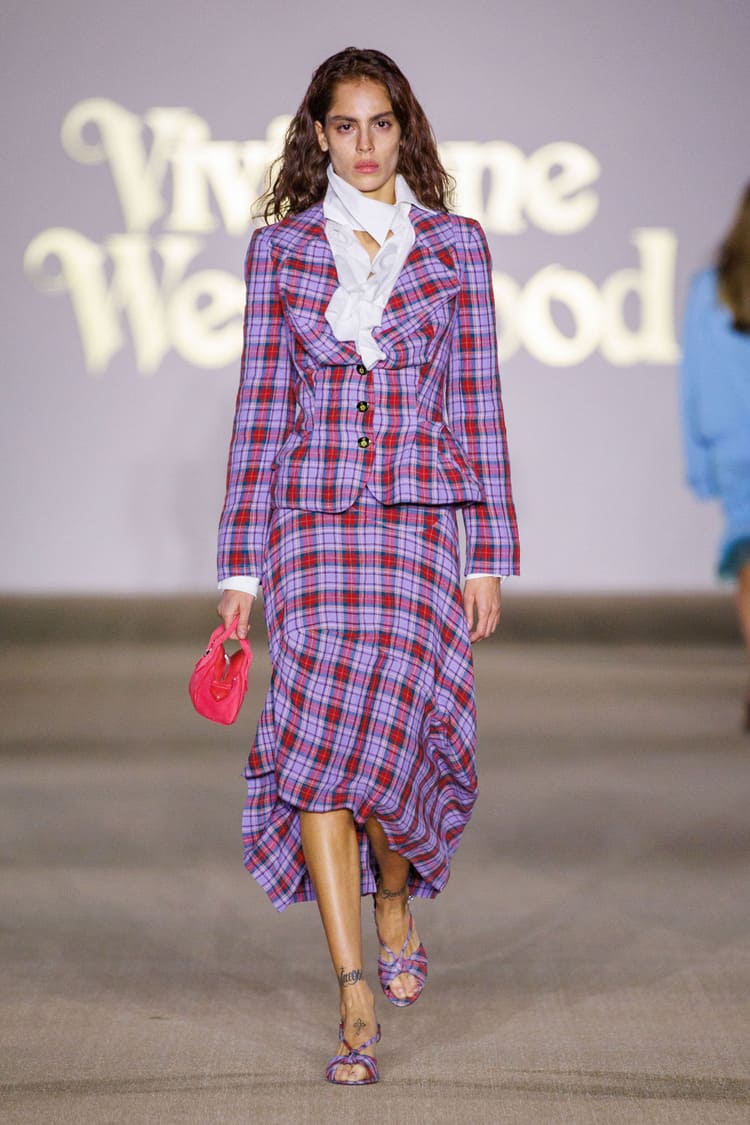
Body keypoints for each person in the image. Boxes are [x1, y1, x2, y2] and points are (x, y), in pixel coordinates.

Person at [216, 47, 519, 1085]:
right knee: (314, 749)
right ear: (318, 135)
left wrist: (489, 551)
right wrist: (241, 570)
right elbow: (261, 409)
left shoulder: (455, 246)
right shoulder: (281, 252)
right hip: (311, 526)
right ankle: (353, 999)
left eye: (380, 123)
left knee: (397, 746)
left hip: (419, 527)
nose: (364, 144)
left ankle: (395, 896)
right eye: (343, 126)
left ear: (404, 129)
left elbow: (476, 399)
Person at [680, 182, 750, 732]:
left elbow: (694, 385)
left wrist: (700, 462)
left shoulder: (712, 289)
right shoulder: (709, 288)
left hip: (735, 450)